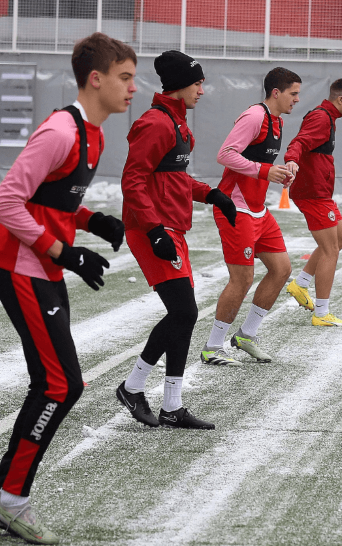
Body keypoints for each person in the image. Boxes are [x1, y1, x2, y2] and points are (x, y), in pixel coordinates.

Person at [0, 33, 136, 544]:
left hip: (40, 267)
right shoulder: (61, 131)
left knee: (57, 383)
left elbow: (53, 200)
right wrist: (63, 252)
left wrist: (93, 221)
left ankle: (2, 495)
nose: (133, 88)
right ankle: (12, 500)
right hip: (20, 267)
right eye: (125, 78)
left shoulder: (95, 133)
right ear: (96, 78)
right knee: (60, 385)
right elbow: (7, 203)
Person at [116, 50, 238, 429]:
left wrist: (210, 194)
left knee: (183, 315)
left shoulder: (176, 122)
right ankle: (135, 388)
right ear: (179, 84)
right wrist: (154, 231)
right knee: (184, 312)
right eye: (198, 82)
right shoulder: (157, 123)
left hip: (169, 226)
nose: (202, 90)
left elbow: (174, 178)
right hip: (152, 228)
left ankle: (166, 403)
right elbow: (132, 180)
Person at [200, 67, 300, 365]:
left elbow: (258, 163)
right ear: (276, 92)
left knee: (281, 269)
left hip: (258, 209)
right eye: (294, 94)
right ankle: (213, 347)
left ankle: (246, 336)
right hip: (235, 208)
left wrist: (284, 169)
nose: (297, 100)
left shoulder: (278, 121)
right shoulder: (255, 116)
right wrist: (266, 171)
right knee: (242, 278)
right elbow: (226, 154)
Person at [283, 78, 342, 326]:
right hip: (312, 193)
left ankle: (300, 284)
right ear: (340, 99)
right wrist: (292, 159)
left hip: (320, 192)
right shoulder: (322, 117)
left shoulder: (329, 117)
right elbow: (300, 142)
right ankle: (321, 313)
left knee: (341, 238)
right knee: (330, 249)